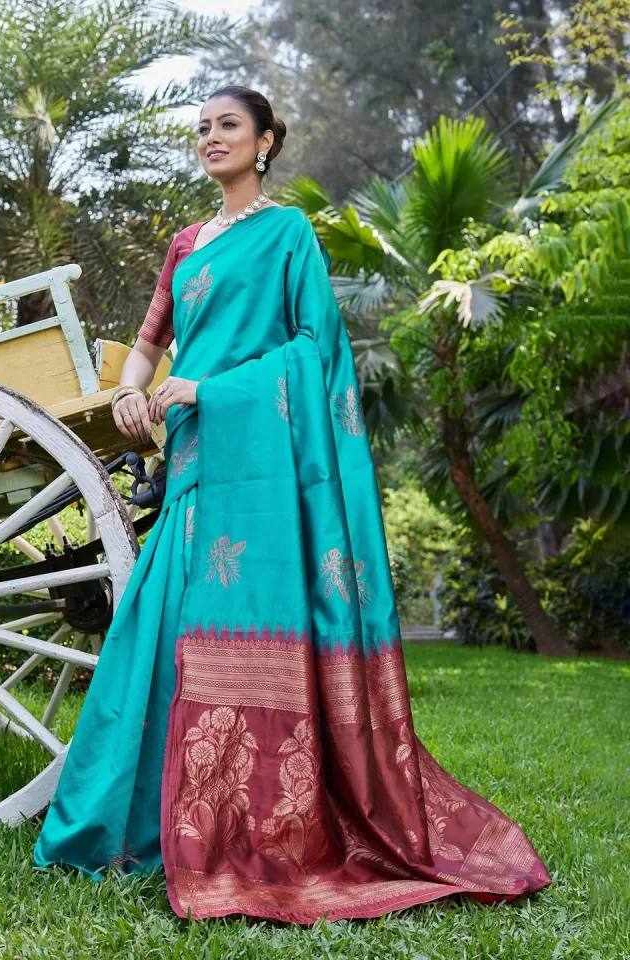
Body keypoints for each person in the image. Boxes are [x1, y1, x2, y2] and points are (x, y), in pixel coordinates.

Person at [32, 84, 551, 924]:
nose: (211, 137)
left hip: (261, 462)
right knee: (160, 630)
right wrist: (131, 391)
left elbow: (315, 348)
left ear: (266, 141)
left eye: (228, 125)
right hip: (196, 457)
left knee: (244, 619)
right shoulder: (187, 243)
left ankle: (253, 824)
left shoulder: (288, 234)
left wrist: (212, 388)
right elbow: (149, 342)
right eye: (202, 127)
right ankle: (139, 824)